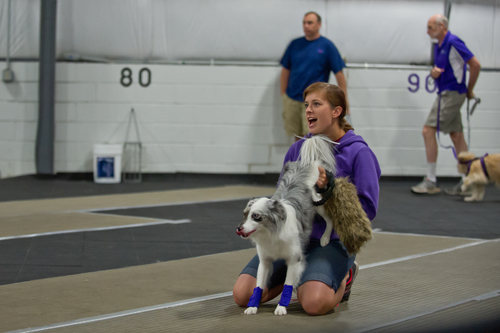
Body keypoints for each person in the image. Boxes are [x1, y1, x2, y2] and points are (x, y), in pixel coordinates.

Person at [233, 82, 380, 316]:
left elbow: (368, 210)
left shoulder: (359, 153)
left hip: (333, 241)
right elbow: (281, 200)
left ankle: (345, 275)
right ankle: (305, 276)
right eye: (306, 105)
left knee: (312, 303)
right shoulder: (297, 149)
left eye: (316, 104)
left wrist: (332, 190)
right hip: (290, 239)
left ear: (336, 111)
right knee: (242, 295)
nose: (308, 110)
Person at [411, 14, 481, 195]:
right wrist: (435, 74)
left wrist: (469, 90)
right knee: (456, 136)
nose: (427, 32)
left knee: (427, 131)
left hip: (452, 93)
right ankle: (468, 181)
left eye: (431, 27)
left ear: (442, 26)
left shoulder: (453, 42)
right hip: (446, 93)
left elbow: (475, 64)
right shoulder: (440, 45)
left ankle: (431, 180)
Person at [280, 12, 350, 141]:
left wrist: (344, 99)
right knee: (297, 137)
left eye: (310, 23)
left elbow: (339, 74)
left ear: (319, 25)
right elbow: (285, 70)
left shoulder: (327, 46)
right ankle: (299, 161)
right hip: (293, 99)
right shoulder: (294, 45)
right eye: (304, 23)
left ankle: (313, 162)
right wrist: (283, 94)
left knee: (313, 138)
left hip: (315, 102)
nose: (306, 26)